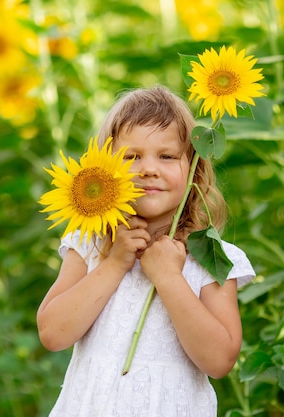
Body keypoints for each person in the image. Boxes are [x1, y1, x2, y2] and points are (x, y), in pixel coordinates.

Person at [37, 85, 256, 417]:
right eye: (131, 156)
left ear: (193, 167)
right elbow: (53, 333)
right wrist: (114, 264)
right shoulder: (91, 243)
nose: (148, 169)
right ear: (105, 165)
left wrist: (169, 277)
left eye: (166, 156)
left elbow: (219, 360)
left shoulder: (211, 256)